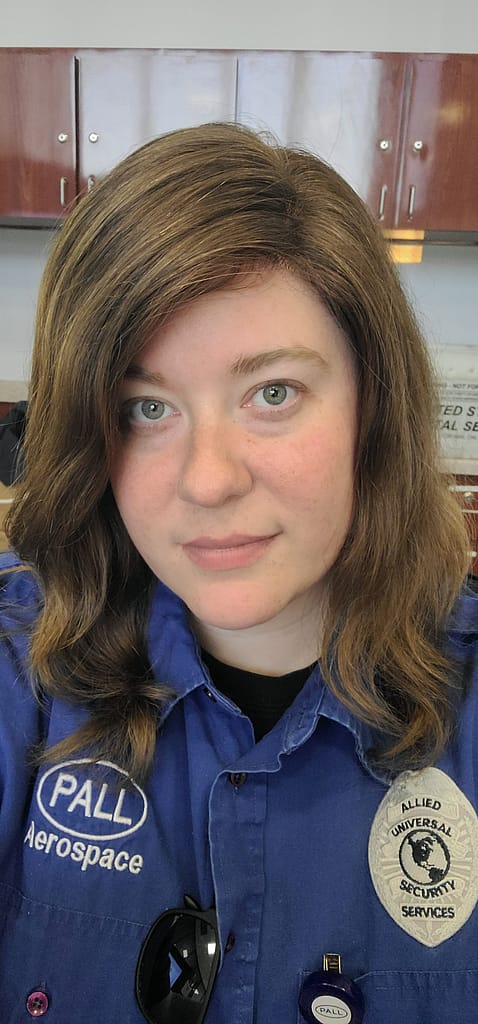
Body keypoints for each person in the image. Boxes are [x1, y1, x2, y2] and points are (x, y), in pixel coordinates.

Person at [0, 121, 476, 1024]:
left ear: (370, 407)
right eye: (147, 407)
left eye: (272, 394)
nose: (208, 480)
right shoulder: (19, 663)